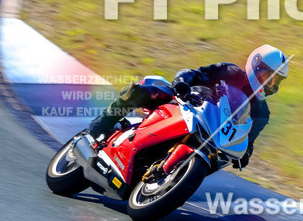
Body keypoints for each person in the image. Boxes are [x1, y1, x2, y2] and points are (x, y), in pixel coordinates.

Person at [85, 45, 289, 169]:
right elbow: (196, 74)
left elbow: (248, 138)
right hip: (187, 104)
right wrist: (182, 82)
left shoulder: (261, 112)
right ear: (256, 66)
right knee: (143, 90)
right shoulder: (231, 72)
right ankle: (101, 124)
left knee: (221, 161)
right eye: (268, 77)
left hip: (213, 136)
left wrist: (245, 153)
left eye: (276, 81)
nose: (270, 84)